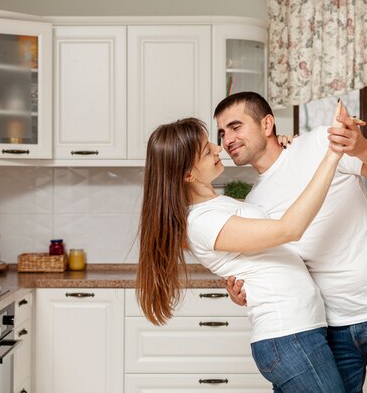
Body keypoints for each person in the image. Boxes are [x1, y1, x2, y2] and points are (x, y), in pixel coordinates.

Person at [216, 91, 367, 393]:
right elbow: (276, 266)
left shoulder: (317, 144)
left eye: (235, 126)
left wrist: (361, 146)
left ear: (267, 124)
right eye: (221, 133)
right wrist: (242, 290)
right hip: (329, 326)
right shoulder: (255, 203)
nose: (227, 139)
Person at [137, 102, 351, 392]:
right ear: (189, 175)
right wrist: (332, 155)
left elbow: (255, 257)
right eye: (205, 150)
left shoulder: (217, 205)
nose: (218, 148)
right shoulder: (203, 221)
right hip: (288, 336)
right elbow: (289, 229)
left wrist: (282, 148)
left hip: (297, 332)